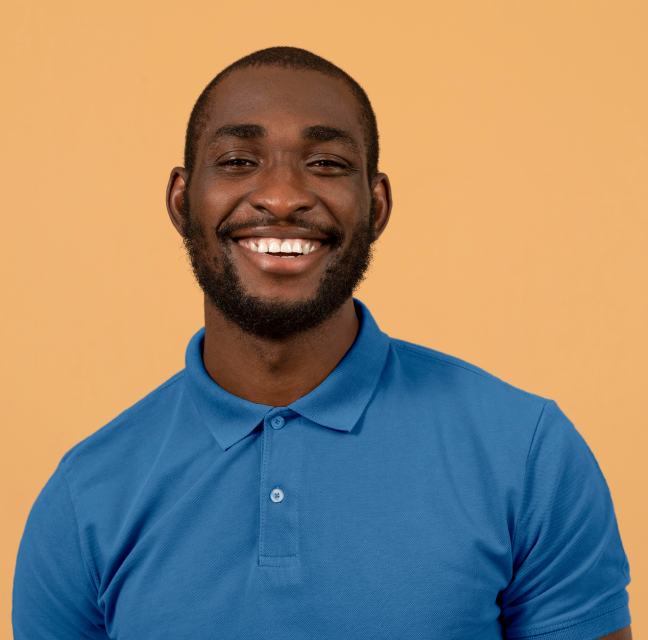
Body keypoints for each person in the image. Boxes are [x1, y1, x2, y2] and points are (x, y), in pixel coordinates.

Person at [13, 46, 632, 639]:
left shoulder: (526, 454)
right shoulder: (84, 499)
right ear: (181, 200)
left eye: (327, 164)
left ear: (377, 206)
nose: (282, 198)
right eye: (238, 161)